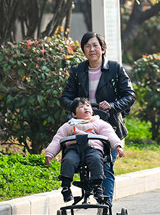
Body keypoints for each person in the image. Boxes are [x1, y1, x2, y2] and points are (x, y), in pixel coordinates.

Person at [60, 31, 135, 207]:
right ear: (83, 51)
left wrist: (112, 106)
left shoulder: (115, 69)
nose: (91, 49)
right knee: (80, 162)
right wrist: (78, 107)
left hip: (110, 126)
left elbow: (130, 95)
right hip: (83, 127)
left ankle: (105, 204)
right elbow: (65, 97)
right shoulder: (78, 71)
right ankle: (87, 191)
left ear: (103, 48)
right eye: (87, 46)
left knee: (107, 166)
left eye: (95, 45)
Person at [44, 98, 125, 203]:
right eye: (81, 107)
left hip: (93, 148)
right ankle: (66, 187)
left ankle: (97, 186)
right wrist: (49, 154)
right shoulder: (69, 125)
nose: (86, 108)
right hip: (74, 149)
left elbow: (110, 135)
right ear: (74, 114)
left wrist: (118, 146)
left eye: (87, 105)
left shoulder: (99, 123)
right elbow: (57, 140)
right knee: (68, 160)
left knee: (96, 159)